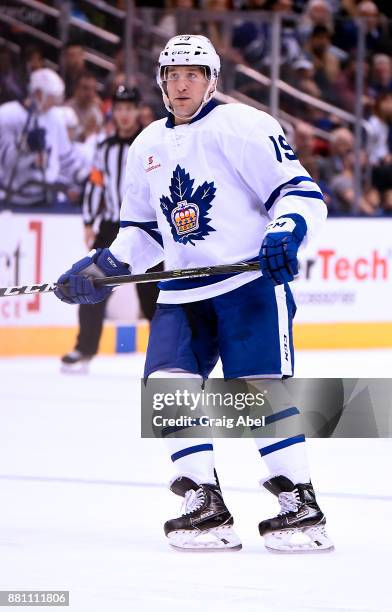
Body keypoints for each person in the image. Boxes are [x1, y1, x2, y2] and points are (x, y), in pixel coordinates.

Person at [54, 35, 333, 553]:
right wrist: (104, 266)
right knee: (165, 385)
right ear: (161, 82)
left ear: (212, 80)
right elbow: (144, 232)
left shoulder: (245, 126)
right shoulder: (147, 145)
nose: (181, 84)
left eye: (192, 74)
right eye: (172, 75)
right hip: (182, 291)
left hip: (248, 282)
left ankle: (300, 503)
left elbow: (301, 191)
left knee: (258, 392)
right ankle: (204, 502)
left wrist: (286, 229)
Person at [61, 85, 160, 372]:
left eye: (129, 108)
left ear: (138, 111)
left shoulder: (151, 145)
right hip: (109, 226)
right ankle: (84, 349)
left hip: (148, 229)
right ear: (113, 112)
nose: (124, 114)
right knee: (92, 282)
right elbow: (95, 185)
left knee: (155, 293)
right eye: (119, 109)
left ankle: (162, 357)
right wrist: (89, 222)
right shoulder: (104, 149)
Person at [0, 68, 86, 208]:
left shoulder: (56, 117)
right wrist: (24, 145)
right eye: (52, 98)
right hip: (10, 198)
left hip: (45, 198)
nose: (54, 103)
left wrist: (84, 177)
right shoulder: (7, 115)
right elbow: (5, 162)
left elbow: (66, 159)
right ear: (38, 94)